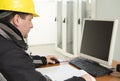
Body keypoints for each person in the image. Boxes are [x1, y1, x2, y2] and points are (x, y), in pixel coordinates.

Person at [0, 0, 93, 81]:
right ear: (17, 19)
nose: (32, 25)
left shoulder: (4, 43)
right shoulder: (10, 52)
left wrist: (44, 60)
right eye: (30, 20)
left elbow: (20, 62)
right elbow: (15, 59)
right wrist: (82, 79)